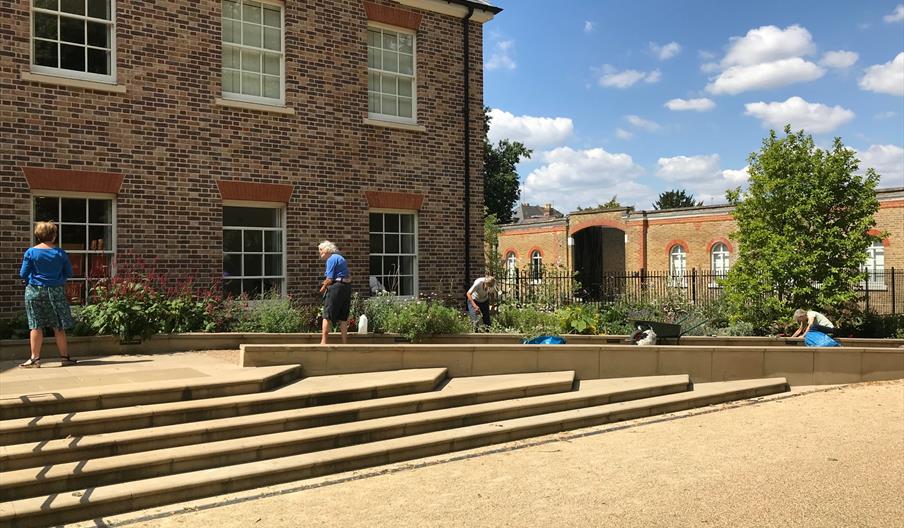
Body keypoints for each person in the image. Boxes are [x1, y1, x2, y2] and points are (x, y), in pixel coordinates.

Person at [19, 221, 77, 368]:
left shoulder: (30, 252)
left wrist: (31, 281)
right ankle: (65, 358)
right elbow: (69, 273)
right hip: (55, 291)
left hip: (34, 291)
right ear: (53, 235)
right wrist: (58, 281)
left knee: (35, 325)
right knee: (58, 326)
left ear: (38, 235)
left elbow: (23, 274)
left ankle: (34, 359)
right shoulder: (60, 253)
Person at [318, 241, 351, 344]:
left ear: (327, 250)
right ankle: (344, 343)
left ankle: (323, 342)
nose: (320, 252)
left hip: (336, 287)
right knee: (343, 317)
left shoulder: (331, 259)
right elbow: (348, 276)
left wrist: (322, 288)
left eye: (321, 250)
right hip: (346, 287)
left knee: (327, 315)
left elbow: (329, 279)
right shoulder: (340, 258)